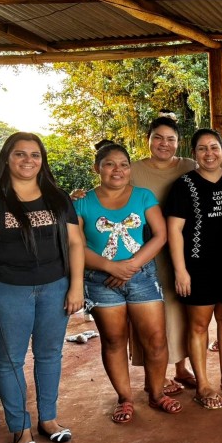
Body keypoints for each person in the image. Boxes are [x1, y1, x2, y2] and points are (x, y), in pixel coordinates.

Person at [76, 143, 182, 423]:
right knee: (113, 340)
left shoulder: (143, 196)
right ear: (96, 168)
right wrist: (112, 267)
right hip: (99, 280)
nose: (118, 170)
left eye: (123, 164)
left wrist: (131, 267)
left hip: (143, 276)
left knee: (156, 340)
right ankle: (124, 398)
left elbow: (160, 235)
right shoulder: (82, 202)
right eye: (110, 164)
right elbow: (75, 245)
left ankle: (157, 393)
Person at [0, 133, 84, 443]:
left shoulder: (56, 196)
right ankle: (21, 428)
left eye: (35, 155)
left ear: (42, 160)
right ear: (7, 157)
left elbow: (75, 243)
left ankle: (48, 419)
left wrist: (76, 286)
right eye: (20, 154)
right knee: (9, 362)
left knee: (49, 355)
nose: (28, 160)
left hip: (55, 288)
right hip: (9, 290)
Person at [164, 129, 222, 410]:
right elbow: (174, 229)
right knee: (198, 326)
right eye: (202, 149)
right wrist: (180, 270)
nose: (209, 153)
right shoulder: (184, 184)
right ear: (194, 153)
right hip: (197, 265)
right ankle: (203, 384)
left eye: (214, 147)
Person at [128, 114, 198, 394]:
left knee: (181, 309)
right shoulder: (133, 169)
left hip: (181, 251)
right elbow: (110, 193)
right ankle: (154, 375)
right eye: (158, 137)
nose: (164, 144)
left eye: (171, 139)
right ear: (148, 139)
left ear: (178, 143)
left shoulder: (189, 166)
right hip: (144, 251)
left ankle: (181, 368)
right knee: (150, 313)